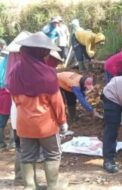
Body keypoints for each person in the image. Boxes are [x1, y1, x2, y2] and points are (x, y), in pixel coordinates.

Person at [7, 31, 68, 190]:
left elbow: (14, 98)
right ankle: (53, 186)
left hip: (24, 125)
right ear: (41, 52)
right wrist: (62, 122)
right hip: (46, 125)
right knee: (53, 154)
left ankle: (29, 186)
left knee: (27, 156)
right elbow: (57, 102)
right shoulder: (48, 73)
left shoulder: (14, 72)